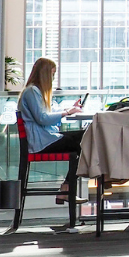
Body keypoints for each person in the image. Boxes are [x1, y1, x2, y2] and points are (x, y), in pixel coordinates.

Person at [16, 57, 83, 205]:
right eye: (52, 75)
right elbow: (43, 118)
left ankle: (66, 188)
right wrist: (66, 113)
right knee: (85, 140)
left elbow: (47, 113)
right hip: (42, 142)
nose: (53, 79)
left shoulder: (35, 92)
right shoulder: (32, 91)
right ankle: (66, 188)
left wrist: (67, 109)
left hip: (46, 138)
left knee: (85, 139)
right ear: (45, 74)